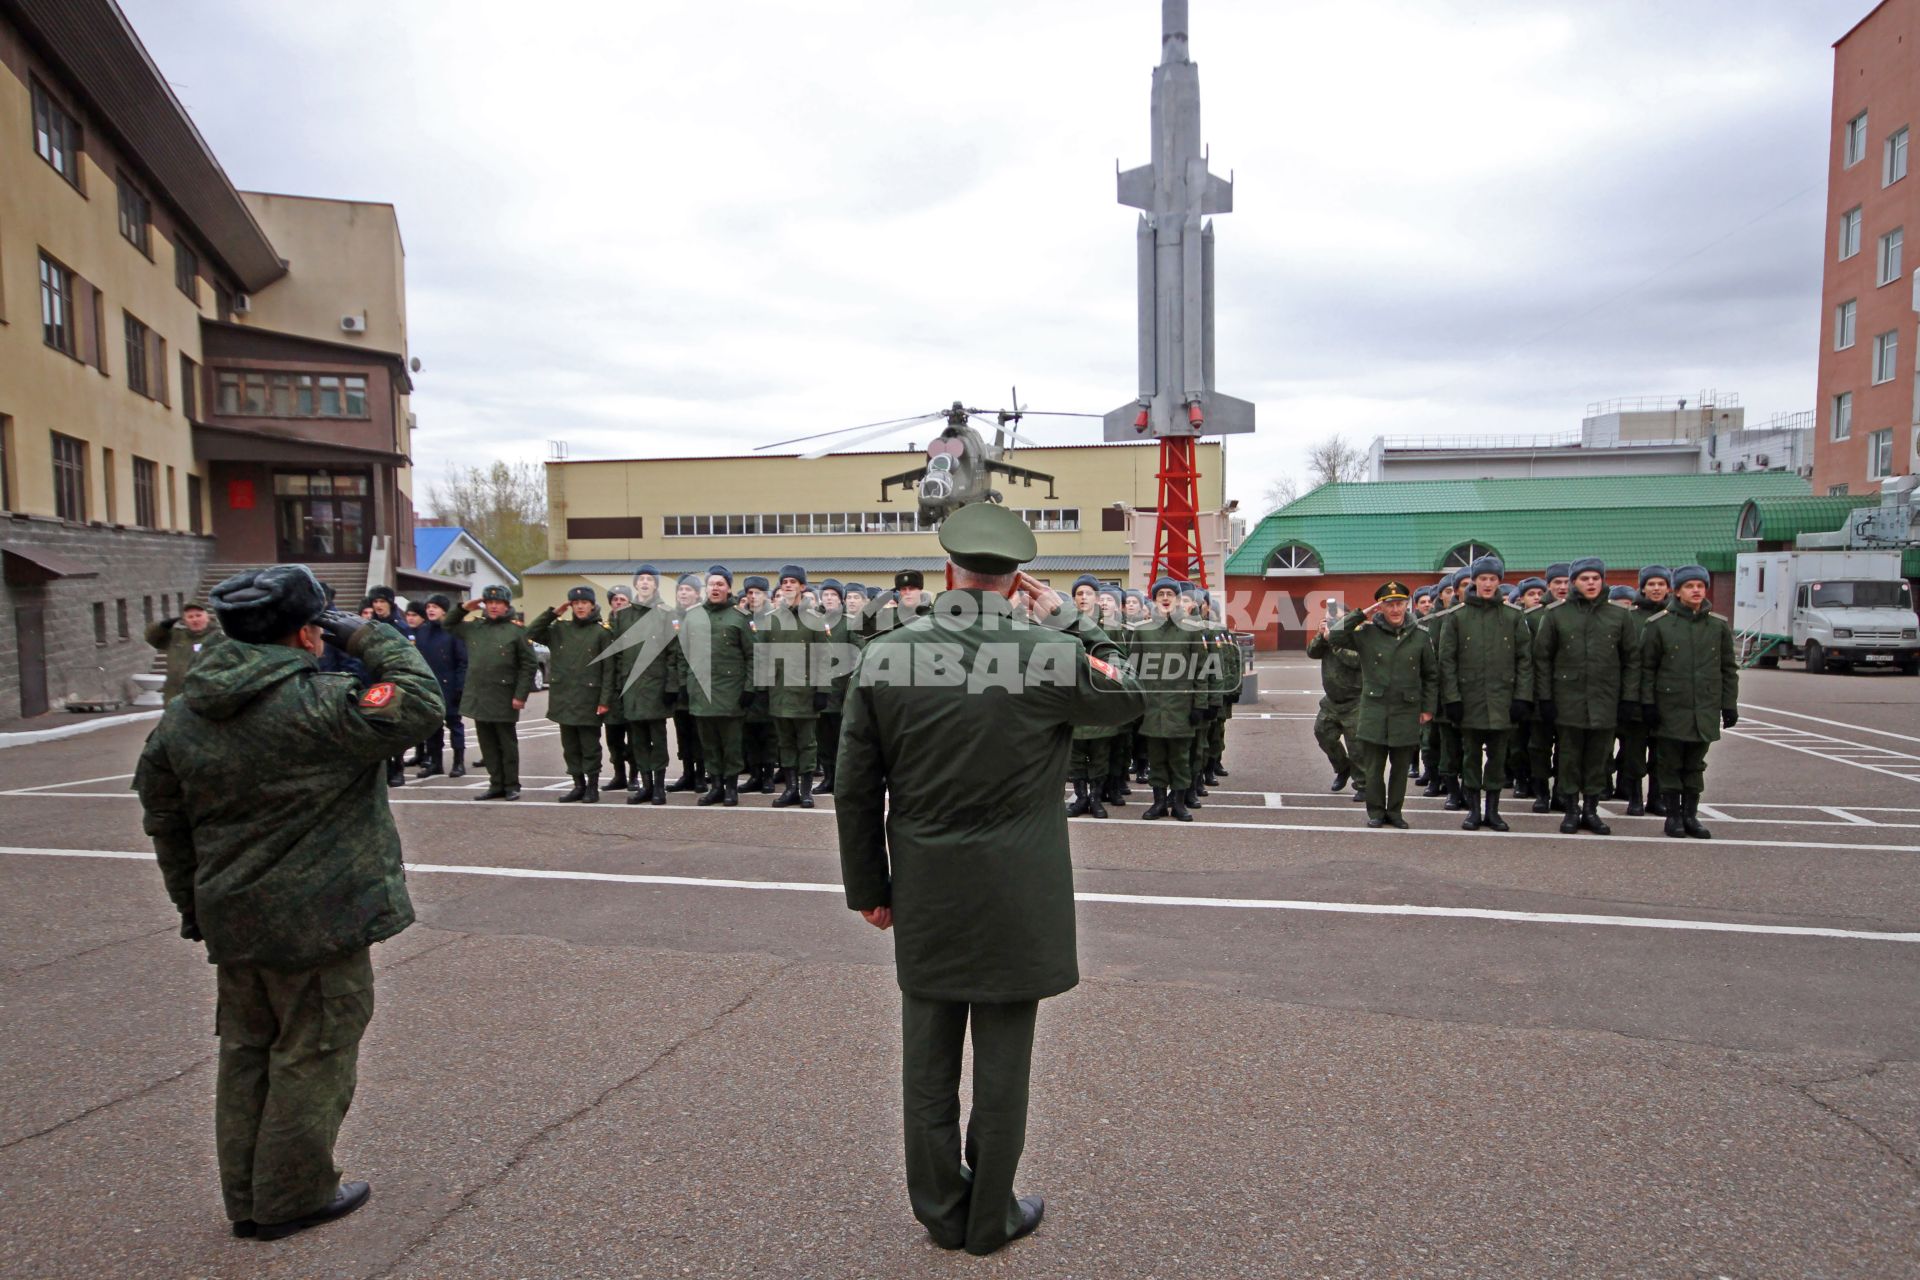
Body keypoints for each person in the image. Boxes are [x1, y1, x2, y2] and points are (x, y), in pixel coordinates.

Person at [837, 501, 1143, 1257]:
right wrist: (1073, 621)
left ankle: (942, 1209)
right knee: (1005, 1057)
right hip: (1019, 889)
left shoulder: (888, 654)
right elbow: (1131, 692)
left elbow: (854, 784)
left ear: (950, 571)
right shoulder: (1048, 652)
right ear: (1017, 582)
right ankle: (991, 1217)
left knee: (928, 1055)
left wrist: (869, 888)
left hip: (928, 882)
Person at [133, 564, 442, 1240]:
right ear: (307, 634)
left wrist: (193, 905)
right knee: (314, 1050)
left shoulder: (183, 717)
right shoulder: (319, 706)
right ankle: (293, 1196)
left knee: (248, 1050)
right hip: (318, 918)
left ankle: (247, 1198)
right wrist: (370, 636)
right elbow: (419, 700)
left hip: (233, 913)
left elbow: (166, 823)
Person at [1533, 557, 1640, 836]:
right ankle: (1570, 810)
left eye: (1595, 578)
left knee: (1599, 758)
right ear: (1573, 583)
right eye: (1584, 578)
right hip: (1568, 700)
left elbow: (1631, 660)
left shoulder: (1619, 615)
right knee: (1568, 757)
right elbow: (1542, 659)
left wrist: (1628, 698)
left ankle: (1591, 810)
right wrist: (1545, 698)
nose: (1591, 583)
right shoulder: (1557, 614)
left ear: (1603, 581)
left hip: (1605, 700)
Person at [1327, 582, 1437, 829]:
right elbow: (1334, 635)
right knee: (1374, 768)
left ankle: (1395, 812)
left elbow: (1431, 675)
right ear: (1381, 607)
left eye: (1399, 604)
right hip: (1375, 710)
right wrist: (1361, 614)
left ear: (1406, 605)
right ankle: (1376, 811)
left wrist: (1428, 708)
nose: (1395, 609)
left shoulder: (1420, 635)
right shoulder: (1367, 633)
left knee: (1400, 769)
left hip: (1406, 710)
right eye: (1389, 604)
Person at [1641, 564, 1737, 839]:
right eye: (1689, 586)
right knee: (1670, 763)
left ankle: (1691, 815)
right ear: (1677, 591)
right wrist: (1648, 704)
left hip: (1704, 707)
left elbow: (1728, 669)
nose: (1696, 590)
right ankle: (1673, 816)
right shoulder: (1659, 625)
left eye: (1700, 586)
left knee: (1695, 764)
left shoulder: (1717, 626)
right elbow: (1647, 669)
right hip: (1671, 707)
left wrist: (1729, 704)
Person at [1438, 556, 1533, 833]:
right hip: (1469, 701)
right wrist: (1452, 699)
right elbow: (1447, 661)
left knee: (1498, 757)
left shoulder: (1513, 617)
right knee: (1470, 757)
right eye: (1483, 579)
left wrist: (1522, 697)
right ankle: (1473, 811)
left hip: (1503, 701)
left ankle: (1493, 811)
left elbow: (1524, 660)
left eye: (1493, 579)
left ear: (1499, 582)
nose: (1488, 584)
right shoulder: (1457, 617)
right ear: (1475, 582)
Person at [443, 586, 538, 801]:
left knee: (507, 743)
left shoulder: (517, 631)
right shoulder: (475, 627)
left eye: (499, 603)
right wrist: (464, 608)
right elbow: (447, 624)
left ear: (507, 605)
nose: (494, 606)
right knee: (487, 744)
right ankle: (496, 783)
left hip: (504, 695)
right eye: (489, 603)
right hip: (480, 695)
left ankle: (512, 784)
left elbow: (528, 665)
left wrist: (520, 695)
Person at [526, 586, 616, 803]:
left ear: (592, 605)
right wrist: (553, 613)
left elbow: (609, 670)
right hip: (564, 698)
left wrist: (605, 700)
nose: (580, 607)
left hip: (589, 698)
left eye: (584, 603)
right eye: (575, 604)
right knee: (570, 747)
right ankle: (578, 785)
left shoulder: (602, 632)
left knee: (590, 746)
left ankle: (592, 787)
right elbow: (530, 634)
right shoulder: (560, 629)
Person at [1129, 577, 1206, 820]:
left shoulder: (1191, 629)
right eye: (1160, 594)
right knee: (1156, 759)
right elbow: (1134, 671)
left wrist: (1200, 705)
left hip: (1181, 707)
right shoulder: (1142, 631)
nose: (1165, 598)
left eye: (1169, 594)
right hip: (1152, 708)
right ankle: (1159, 802)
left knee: (1180, 759)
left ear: (1176, 599)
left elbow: (1202, 670)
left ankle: (1180, 804)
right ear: (1153, 599)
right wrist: (1135, 706)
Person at [684, 566, 756, 806]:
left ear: (728, 588)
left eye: (720, 584)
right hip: (701, 692)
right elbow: (684, 654)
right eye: (711, 584)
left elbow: (753, 656)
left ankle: (731, 788)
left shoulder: (740, 618)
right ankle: (715, 786)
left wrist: (749, 687)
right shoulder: (693, 616)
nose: (715, 588)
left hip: (731, 693)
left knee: (731, 744)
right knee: (709, 744)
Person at [609, 570, 677, 805]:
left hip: (656, 687)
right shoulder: (623, 616)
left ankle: (659, 787)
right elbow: (617, 656)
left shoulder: (667, 614)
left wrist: (671, 685)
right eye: (641, 580)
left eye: (650, 579)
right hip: (631, 688)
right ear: (636, 585)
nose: (645, 583)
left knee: (657, 740)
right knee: (637, 740)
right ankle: (645, 786)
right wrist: (618, 687)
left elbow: (674, 653)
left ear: (656, 585)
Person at [764, 564, 828, 809]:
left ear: (803, 586)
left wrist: (822, 690)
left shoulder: (815, 620)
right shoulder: (770, 620)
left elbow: (823, 657)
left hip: (805, 693)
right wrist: (761, 688)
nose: (788, 585)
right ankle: (790, 788)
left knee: (807, 743)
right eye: (784, 581)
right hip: (779, 692)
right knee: (785, 742)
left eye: (793, 581)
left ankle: (805, 789)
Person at [1616, 566, 1672, 816]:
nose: (1657, 588)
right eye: (1651, 584)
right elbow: (1624, 659)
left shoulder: (1674, 618)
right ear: (1642, 588)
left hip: (1666, 697)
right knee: (1633, 751)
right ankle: (1635, 796)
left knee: (1661, 752)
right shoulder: (1629, 618)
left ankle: (1656, 797)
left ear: (1669, 588)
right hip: (1636, 697)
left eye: (1661, 584)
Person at [1066, 575, 1123, 818]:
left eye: (1088, 593)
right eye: (1079, 594)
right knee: (1076, 753)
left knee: (1100, 753)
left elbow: (1121, 662)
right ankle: (1080, 798)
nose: (1083, 597)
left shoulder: (1111, 627)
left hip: (1100, 696)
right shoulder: (1063, 624)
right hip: (1073, 697)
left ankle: (1096, 799)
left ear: (1097, 598)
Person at [1306, 600, 1363, 793]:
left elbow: (1357, 661)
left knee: (1357, 747)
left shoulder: (1358, 634)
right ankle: (1342, 768)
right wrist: (1322, 636)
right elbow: (1312, 653)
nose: (1331, 622)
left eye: (1335, 618)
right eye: (1328, 619)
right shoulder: (1327, 635)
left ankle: (1363, 785)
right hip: (1332, 700)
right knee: (1322, 733)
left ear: (1347, 617)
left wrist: (1334, 641)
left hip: (1355, 700)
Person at [411, 595, 468, 778]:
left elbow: (462, 661)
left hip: (449, 686)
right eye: (428, 607)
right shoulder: (423, 631)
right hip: (429, 686)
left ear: (444, 610)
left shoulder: (452, 631)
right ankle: (435, 763)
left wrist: (459, 686)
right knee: (432, 727)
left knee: (454, 725)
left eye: (435, 607)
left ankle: (458, 763)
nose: (430, 610)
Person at [665, 573, 708, 795]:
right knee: (682, 731)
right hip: (676, 685)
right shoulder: (671, 617)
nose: (683, 593)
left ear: (697, 594)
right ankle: (687, 772)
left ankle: (701, 774)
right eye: (680, 590)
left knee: (698, 731)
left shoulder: (701, 616)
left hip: (697, 682)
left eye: (688, 590)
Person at [815, 578, 853, 795]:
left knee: (841, 739)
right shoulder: (814, 621)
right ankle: (828, 777)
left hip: (840, 691)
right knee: (823, 739)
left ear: (841, 599)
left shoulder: (848, 623)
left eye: (833, 595)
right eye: (826, 595)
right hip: (819, 691)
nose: (829, 599)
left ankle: (841, 779)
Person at [144, 599, 223, 705]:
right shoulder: (176, 637)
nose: (195, 620)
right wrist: (162, 626)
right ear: (185, 621)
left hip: (206, 700)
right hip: (175, 699)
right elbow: (152, 638)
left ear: (207, 617)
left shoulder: (219, 638)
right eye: (190, 617)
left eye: (198, 615)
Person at [602, 584, 636, 791]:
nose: (618, 602)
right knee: (613, 737)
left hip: (631, 688)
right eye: (615, 599)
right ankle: (619, 775)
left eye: (623, 599)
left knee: (634, 738)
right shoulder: (604, 629)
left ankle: (634, 776)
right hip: (610, 691)